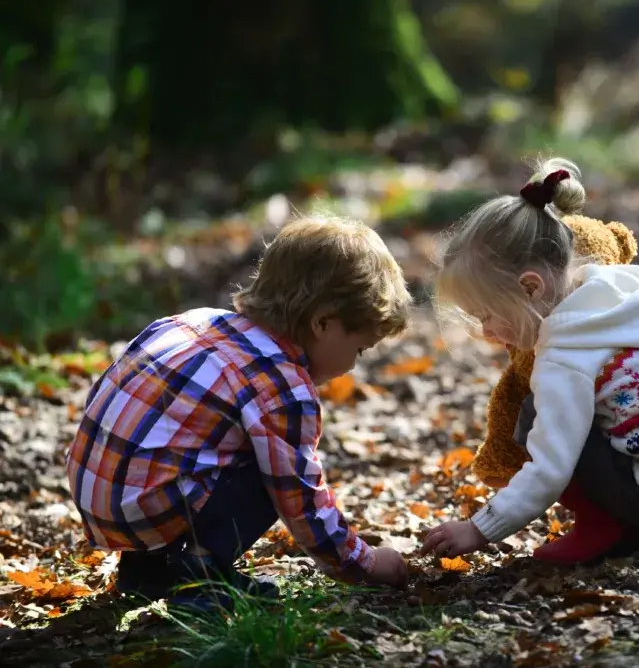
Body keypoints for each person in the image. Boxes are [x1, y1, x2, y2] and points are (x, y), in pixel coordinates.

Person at [65, 214, 413, 610]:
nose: (353, 366)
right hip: (148, 509)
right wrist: (362, 563)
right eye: (359, 349)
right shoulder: (283, 387)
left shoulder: (193, 321)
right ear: (323, 324)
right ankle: (198, 577)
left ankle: (148, 569)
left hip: (97, 498)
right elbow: (300, 498)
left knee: (205, 439)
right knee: (275, 468)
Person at [421, 159, 639, 564]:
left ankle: (604, 527)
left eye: (486, 315)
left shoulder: (565, 358)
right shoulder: (628, 288)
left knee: (536, 411)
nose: (485, 332)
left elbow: (550, 469)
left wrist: (479, 529)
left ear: (530, 287)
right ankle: (627, 506)